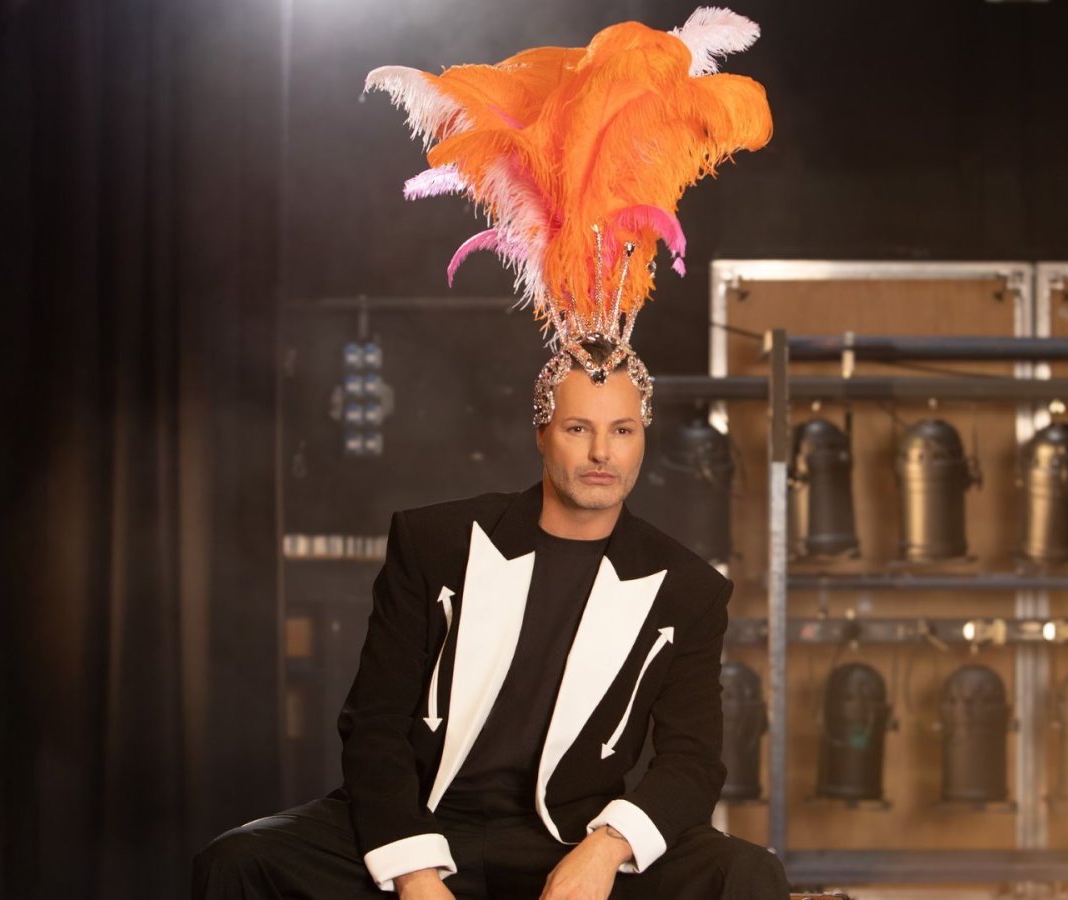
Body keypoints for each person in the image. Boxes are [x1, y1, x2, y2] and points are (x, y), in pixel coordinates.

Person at [195, 8, 781, 897]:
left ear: (643, 439)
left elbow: (693, 763)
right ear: (542, 432)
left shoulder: (687, 589)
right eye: (579, 428)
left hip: (568, 839)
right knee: (238, 862)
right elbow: (375, 727)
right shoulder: (435, 544)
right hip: (425, 823)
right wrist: (413, 870)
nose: (601, 452)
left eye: (622, 431)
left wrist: (606, 850)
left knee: (746, 876)